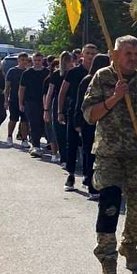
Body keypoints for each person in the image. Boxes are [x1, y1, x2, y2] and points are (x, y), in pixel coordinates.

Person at [82, 36, 137, 274]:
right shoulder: (102, 77)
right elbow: (89, 115)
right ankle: (107, 260)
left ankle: (129, 245)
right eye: (127, 54)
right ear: (114, 54)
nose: (132, 59)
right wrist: (115, 97)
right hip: (109, 154)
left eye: (136, 55)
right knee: (110, 205)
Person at [59, 44, 98, 191]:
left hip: (92, 113)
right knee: (72, 144)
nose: (90, 56)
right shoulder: (74, 72)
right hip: (74, 112)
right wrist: (59, 112)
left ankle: (89, 177)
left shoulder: (100, 72)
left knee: (90, 146)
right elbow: (63, 92)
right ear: (82, 54)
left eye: (93, 53)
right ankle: (70, 175)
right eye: (88, 53)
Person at [75, 54, 110, 200]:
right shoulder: (88, 80)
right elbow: (81, 104)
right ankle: (91, 186)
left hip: (104, 124)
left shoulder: (109, 81)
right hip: (89, 123)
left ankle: (102, 184)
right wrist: (78, 123)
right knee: (90, 154)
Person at [44, 51, 72, 164]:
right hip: (58, 103)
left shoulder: (74, 73)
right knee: (59, 131)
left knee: (69, 131)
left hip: (70, 101)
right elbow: (50, 92)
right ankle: (63, 157)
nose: (68, 62)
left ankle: (70, 156)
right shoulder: (56, 74)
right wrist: (46, 110)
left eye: (70, 59)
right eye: (66, 60)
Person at [19, 52, 48, 157]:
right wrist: (20, 103)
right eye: (35, 60)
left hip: (44, 102)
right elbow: (22, 89)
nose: (37, 62)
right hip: (31, 102)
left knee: (43, 124)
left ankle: (39, 141)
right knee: (34, 123)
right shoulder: (27, 73)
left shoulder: (47, 72)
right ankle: (35, 145)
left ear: (42, 60)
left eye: (39, 60)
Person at [5, 53, 31, 146]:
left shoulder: (29, 71)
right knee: (13, 119)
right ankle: (9, 136)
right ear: (18, 60)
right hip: (14, 99)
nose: (24, 62)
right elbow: (7, 87)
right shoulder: (12, 71)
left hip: (26, 100)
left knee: (25, 120)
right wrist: (6, 100)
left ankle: (24, 139)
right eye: (22, 59)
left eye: (26, 60)